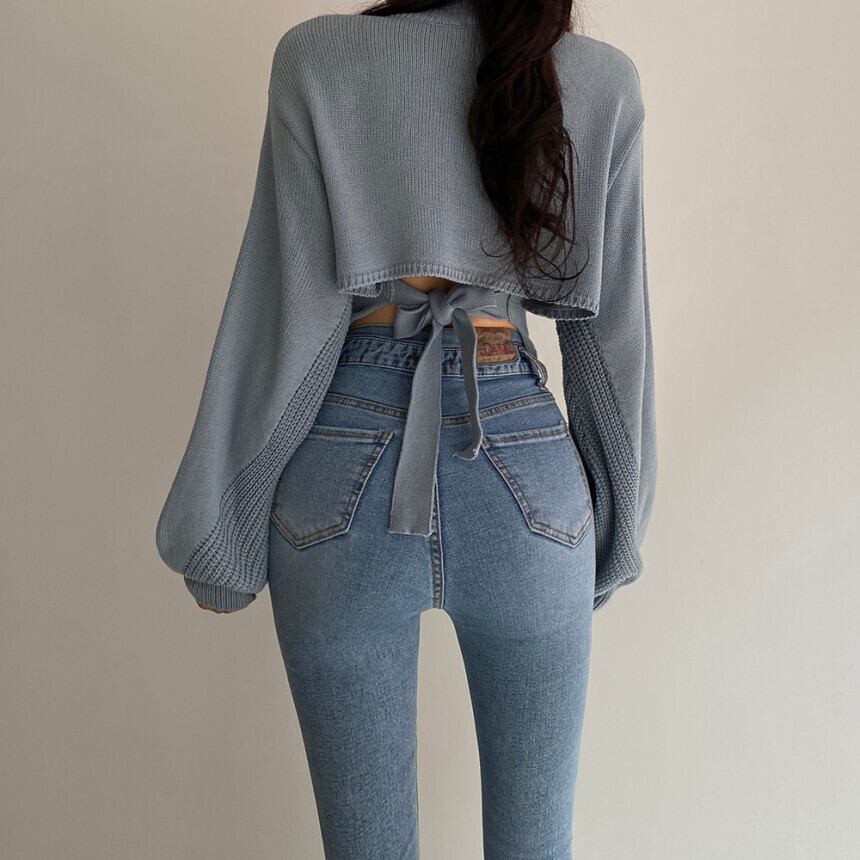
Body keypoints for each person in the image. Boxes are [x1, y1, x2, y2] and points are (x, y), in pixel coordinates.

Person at [155, 1, 656, 856]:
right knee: (538, 845)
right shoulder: (601, 79)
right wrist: (616, 530)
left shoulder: (320, 57)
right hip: (527, 475)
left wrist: (220, 532)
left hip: (342, 467)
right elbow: (611, 342)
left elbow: (287, 312)